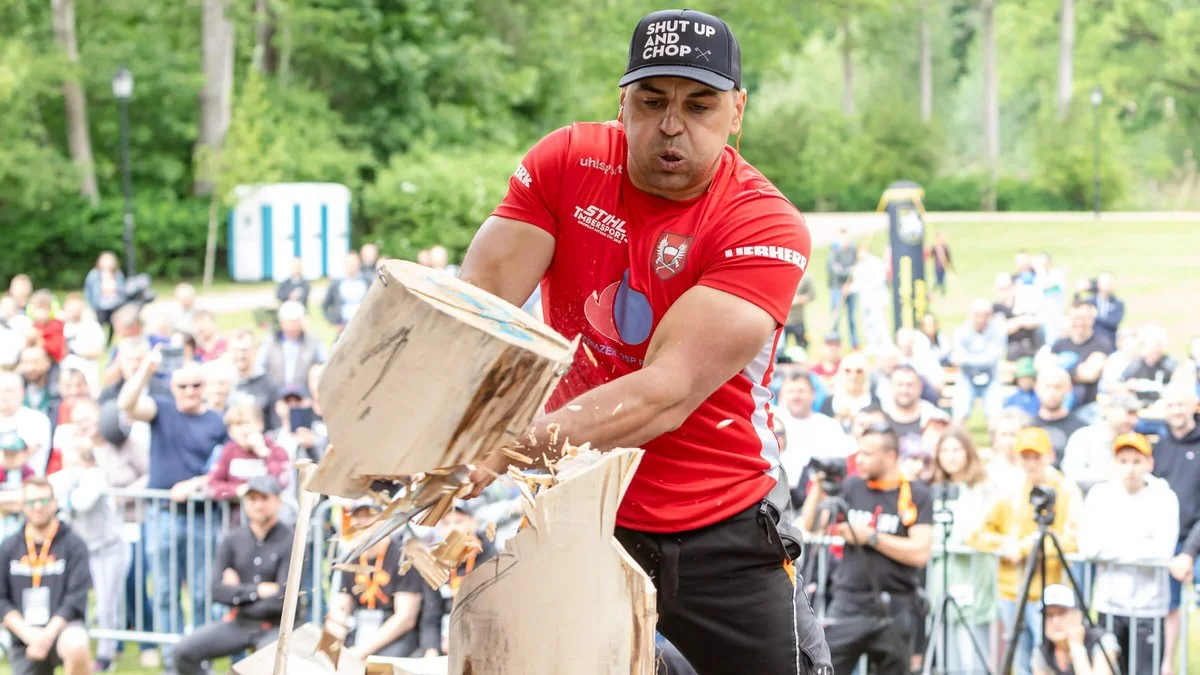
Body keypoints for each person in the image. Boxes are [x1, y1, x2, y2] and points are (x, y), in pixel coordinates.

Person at [456, 9, 830, 674]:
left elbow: (666, 392)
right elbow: (477, 313)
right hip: (584, 508)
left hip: (725, 518)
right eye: (651, 101)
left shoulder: (764, 222)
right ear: (622, 103)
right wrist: (410, 416)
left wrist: (499, 446)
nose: (671, 125)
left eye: (700, 105)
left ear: (737, 111)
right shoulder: (566, 162)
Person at [798, 422, 933, 675]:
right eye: (858, 453)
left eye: (867, 454)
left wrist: (871, 537)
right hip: (849, 603)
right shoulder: (851, 486)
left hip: (895, 605)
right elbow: (812, 525)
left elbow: (920, 553)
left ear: (891, 456)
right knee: (823, 669)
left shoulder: (916, 494)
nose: (859, 460)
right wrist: (819, 486)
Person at [969, 427, 1083, 675]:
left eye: (1036, 456)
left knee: (1052, 658)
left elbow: (1073, 539)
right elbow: (977, 533)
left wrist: (1031, 548)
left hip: (1051, 592)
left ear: (1049, 456)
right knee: (1020, 660)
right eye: (1025, 456)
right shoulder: (1008, 490)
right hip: (1013, 591)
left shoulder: (1065, 489)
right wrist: (1004, 545)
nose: (1031, 463)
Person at [172, 476, 294, 674]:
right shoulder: (232, 539)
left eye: (264, 498)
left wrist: (237, 594)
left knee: (267, 667)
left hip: (277, 627)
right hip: (241, 622)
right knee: (183, 652)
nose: (258, 505)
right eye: (252, 499)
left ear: (278, 502)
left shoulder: (291, 541)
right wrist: (258, 590)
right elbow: (216, 590)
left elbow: (283, 598)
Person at [1079, 433, 1177, 675]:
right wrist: (1139, 545)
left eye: (1136, 461)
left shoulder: (1164, 497)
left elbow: (1162, 550)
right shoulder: (1100, 495)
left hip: (1149, 607)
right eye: (1123, 461)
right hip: (1109, 603)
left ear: (1149, 463)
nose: (1130, 468)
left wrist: (1113, 548)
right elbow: (1090, 546)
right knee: (1107, 668)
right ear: (1114, 463)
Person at [0, 477, 93, 675]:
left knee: (77, 643)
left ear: (54, 502)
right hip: (24, 635)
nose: (37, 507)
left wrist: (47, 636)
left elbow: (75, 599)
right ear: (22, 506)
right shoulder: (8, 547)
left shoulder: (74, 545)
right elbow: (1, 600)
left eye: (43, 500)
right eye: (31, 502)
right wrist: (29, 634)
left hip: (63, 629)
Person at [926, 426, 998, 675]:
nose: (951, 456)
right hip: (941, 577)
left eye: (956, 449)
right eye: (945, 450)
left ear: (968, 452)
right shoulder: (933, 490)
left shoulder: (984, 489)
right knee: (946, 654)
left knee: (972, 656)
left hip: (973, 578)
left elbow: (973, 532)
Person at [325, 497, 425, 660]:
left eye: (369, 516)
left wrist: (362, 651)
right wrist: (333, 639)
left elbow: (405, 618)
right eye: (358, 517)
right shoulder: (350, 558)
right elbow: (341, 606)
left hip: (394, 636)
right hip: (360, 627)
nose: (363, 522)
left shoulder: (402, 557)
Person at [1151, 383, 1200, 675]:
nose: (1176, 411)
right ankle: (1167, 666)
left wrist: (1190, 552)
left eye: (1181, 405)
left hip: (1195, 541)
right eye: (1170, 406)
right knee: (1166, 607)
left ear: (1193, 405)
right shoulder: (1158, 446)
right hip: (1165, 543)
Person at [1039, 300, 1114, 409]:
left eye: (1083, 318)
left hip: (1087, 406)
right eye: (1075, 318)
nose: (1079, 323)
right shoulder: (1060, 343)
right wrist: (1076, 371)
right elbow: (1044, 369)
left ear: (1092, 320)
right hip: (1059, 407)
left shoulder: (1100, 343)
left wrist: (1059, 368)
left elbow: (1090, 374)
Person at [1031, 585, 1119, 675]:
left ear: (1079, 615)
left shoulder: (1102, 640)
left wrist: (1077, 647)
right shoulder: (1043, 650)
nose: (1055, 621)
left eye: (1062, 613)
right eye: (1049, 615)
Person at [949, 298, 1007, 422]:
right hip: (966, 377)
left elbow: (992, 358)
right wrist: (981, 357)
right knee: (959, 417)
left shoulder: (997, 331)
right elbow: (956, 358)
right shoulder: (961, 332)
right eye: (978, 315)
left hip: (991, 378)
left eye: (986, 315)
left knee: (996, 419)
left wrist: (968, 358)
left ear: (991, 315)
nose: (981, 319)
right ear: (971, 315)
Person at [1032, 366, 1086, 467]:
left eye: (1057, 387)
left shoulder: (1081, 429)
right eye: (1047, 386)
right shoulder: (1027, 426)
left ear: (1069, 389)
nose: (1052, 393)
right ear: (1036, 388)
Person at [1090, 272, 1124, 346]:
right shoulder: (1089, 302)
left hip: (1109, 342)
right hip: (1090, 342)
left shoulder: (1118, 304)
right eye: (1104, 282)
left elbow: (1113, 322)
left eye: (1109, 283)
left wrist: (1096, 316)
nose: (1107, 286)